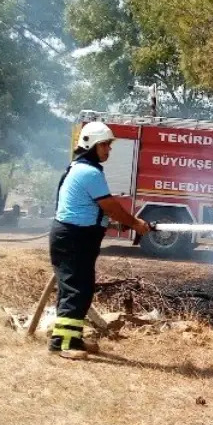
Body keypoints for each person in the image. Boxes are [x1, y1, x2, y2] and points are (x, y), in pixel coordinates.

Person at [50, 122, 150, 360]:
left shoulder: (81, 168)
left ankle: (71, 338)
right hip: (75, 238)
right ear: (90, 144)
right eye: (105, 144)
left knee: (77, 289)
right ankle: (63, 343)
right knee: (76, 289)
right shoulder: (89, 172)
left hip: (74, 236)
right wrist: (135, 223)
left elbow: (94, 209)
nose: (108, 150)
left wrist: (114, 223)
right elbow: (110, 206)